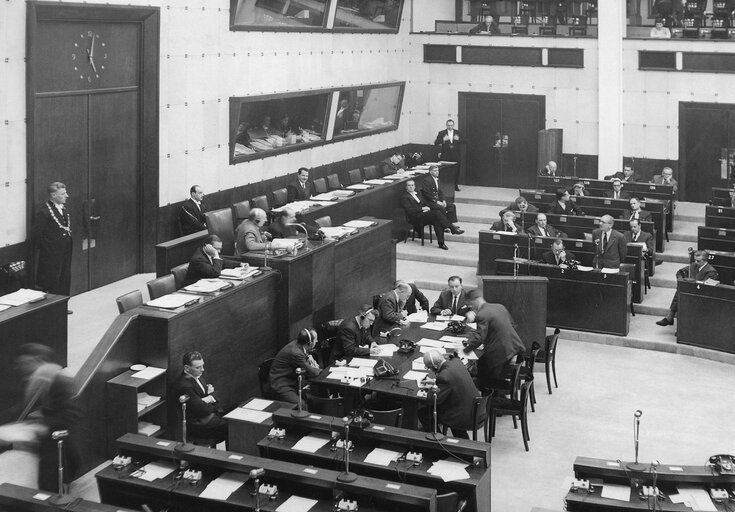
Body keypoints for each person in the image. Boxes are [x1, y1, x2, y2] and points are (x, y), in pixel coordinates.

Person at [15, 343, 80, 493]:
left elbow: (72, 415)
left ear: (37, 360)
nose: (20, 368)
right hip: (46, 440)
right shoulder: (36, 379)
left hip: (57, 440)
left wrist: (44, 426)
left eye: (25, 363)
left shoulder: (59, 381)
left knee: (49, 484)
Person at [463, 290, 526, 392]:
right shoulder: (499, 306)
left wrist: (466, 350)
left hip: (500, 353)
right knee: (482, 367)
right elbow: (512, 325)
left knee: (485, 377)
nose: (471, 307)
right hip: (512, 347)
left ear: (475, 301)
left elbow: (479, 337)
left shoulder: (482, 314)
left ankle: (491, 399)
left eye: (470, 304)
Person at [418, 350, 485, 439]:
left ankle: (438, 443)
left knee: (424, 413)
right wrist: (435, 382)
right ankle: (461, 439)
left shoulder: (444, 377)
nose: (430, 369)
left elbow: (433, 400)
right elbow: (454, 380)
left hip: (465, 417)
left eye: (429, 367)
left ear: (435, 366)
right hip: (476, 410)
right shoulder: (456, 362)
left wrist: (430, 389)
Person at [172, 351, 229, 444]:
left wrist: (207, 399)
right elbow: (203, 410)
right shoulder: (184, 386)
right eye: (198, 367)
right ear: (187, 367)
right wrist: (211, 397)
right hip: (199, 425)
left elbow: (211, 398)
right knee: (232, 426)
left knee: (237, 407)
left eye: (202, 365)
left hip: (209, 414)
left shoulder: (196, 375)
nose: (202, 369)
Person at [32, 182, 73, 301]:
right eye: (63, 194)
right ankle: (54, 306)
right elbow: (35, 235)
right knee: (53, 279)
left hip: (65, 249)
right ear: (54, 195)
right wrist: (47, 249)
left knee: (64, 276)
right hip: (51, 253)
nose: (67, 196)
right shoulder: (44, 211)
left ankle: (63, 303)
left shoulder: (63, 209)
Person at [657, 250, 719, 326]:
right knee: (680, 290)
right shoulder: (693, 265)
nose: (696, 262)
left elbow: (706, 287)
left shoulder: (711, 271)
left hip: (701, 295)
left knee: (681, 293)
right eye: (695, 260)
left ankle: (671, 317)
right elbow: (680, 272)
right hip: (690, 291)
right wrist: (681, 280)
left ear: (705, 260)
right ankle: (674, 320)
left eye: (698, 261)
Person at [401, 179, 463, 250]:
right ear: (406, 187)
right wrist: (422, 209)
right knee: (437, 213)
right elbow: (409, 210)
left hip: (423, 215)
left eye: (412, 185)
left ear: (415, 186)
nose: (411, 187)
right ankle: (452, 228)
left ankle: (441, 243)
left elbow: (425, 203)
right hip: (415, 217)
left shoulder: (418, 193)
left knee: (437, 220)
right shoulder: (405, 197)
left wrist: (428, 208)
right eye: (409, 185)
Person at [268, 328, 321, 409]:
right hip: (281, 385)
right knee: (302, 405)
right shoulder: (296, 353)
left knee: (314, 391)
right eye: (315, 340)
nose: (316, 341)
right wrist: (321, 370)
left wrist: (308, 356)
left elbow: (302, 356)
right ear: (309, 343)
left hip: (290, 381)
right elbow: (314, 373)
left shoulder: (296, 344)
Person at [434, 119, 461, 191]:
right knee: (445, 171)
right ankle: (444, 186)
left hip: (456, 155)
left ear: (453, 125)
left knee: (456, 170)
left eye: (451, 125)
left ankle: (455, 185)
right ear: (446, 125)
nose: (450, 127)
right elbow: (436, 142)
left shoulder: (458, 132)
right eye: (448, 125)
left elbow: (465, 141)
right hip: (445, 155)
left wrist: (459, 139)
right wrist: (443, 139)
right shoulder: (441, 133)